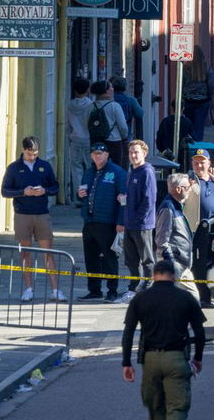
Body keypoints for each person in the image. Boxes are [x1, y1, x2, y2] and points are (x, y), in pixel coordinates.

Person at [121, 259, 206, 420]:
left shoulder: (141, 298)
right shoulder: (185, 297)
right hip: (177, 358)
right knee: (177, 408)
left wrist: (126, 362)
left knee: (155, 410)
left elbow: (129, 332)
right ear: (174, 276)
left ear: (153, 276)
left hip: (149, 360)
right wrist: (197, 358)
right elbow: (200, 332)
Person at [0, 136, 60, 302]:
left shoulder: (45, 166)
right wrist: (22, 192)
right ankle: (28, 289)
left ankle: (55, 289)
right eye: (29, 154)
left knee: (48, 253)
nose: (32, 157)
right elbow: (5, 191)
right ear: (23, 150)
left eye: (34, 154)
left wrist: (44, 190)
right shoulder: (13, 168)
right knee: (25, 253)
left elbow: (55, 187)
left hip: (42, 212)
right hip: (22, 214)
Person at [77, 143, 126, 301]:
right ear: (91, 155)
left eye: (101, 153)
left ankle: (112, 290)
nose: (98, 156)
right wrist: (80, 195)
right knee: (90, 258)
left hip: (107, 222)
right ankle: (94, 289)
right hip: (89, 221)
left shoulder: (117, 172)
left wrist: (120, 222)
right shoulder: (88, 172)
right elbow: (82, 193)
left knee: (109, 257)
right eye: (95, 153)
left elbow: (123, 199)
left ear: (107, 155)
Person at [188, 151, 214, 307]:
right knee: (198, 265)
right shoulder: (189, 180)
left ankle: (212, 296)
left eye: (202, 162)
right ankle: (202, 297)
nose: (199, 165)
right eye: (196, 162)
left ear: (209, 163)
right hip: (197, 231)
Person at [119, 140, 158, 299]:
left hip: (142, 225)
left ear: (144, 153)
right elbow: (135, 197)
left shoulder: (146, 172)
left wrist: (138, 219)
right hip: (130, 223)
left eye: (136, 152)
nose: (133, 155)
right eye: (131, 152)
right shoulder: (132, 172)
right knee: (131, 259)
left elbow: (149, 200)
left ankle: (149, 287)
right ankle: (134, 288)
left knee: (146, 259)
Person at [154, 174, 198, 295]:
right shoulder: (168, 208)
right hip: (174, 264)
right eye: (187, 187)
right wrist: (171, 263)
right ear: (178, 189)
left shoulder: (176, 206)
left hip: (182, 264)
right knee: (188, 298)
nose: (189, 190)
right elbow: (162, 239)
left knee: (191, 299)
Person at [88, 80, 131, 167]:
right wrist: (124, 137)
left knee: (98, 166)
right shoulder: (114, 106)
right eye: (111, 87)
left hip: (95, 140)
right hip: (114, 141)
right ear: (106, 90)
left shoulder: (91, 106)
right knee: (115, 167)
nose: (113, 89)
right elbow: (123, 127)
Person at [65, 76, 95, 196]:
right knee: (89, 168)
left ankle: (79, 196)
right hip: (88, 139)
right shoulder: (91, 105)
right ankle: (88, 195)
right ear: (87, 90)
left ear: (75, 90)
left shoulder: (69, 105)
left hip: (74, 139)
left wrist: (68, 136)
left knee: (76, 168)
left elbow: (67, 124)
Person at [110, 75, 145, 141]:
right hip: (125, 135)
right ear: (125, 87)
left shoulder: (108, 100)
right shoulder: (130, 100)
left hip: (109, 135)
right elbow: (140, 114)